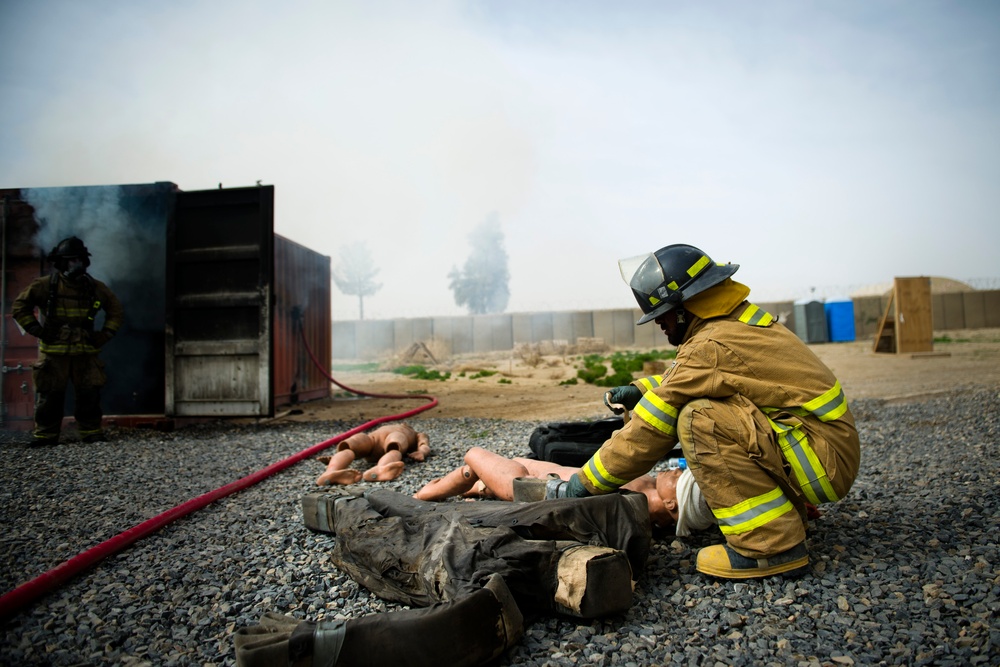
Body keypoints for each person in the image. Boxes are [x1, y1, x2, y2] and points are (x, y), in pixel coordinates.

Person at [545, 243, 861, 580]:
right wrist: (642, 389)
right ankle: (782, 520)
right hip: (822, 448)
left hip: (821, 463)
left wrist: (583, 484)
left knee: (699, 419)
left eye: (663, 314)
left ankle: (769, 548)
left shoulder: (710, 345)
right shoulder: (729, 324)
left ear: (685, 306)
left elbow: (650, 429)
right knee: (707, 408)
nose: (660, 324)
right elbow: (703, 377)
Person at [414, 446, 716, 536]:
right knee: (478, 477)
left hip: (526, 487)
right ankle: (473, 486)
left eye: (678, 479)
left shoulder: (646, 500)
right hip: (529, 478)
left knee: (474, 454)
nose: (674, 470)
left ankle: (421, 497)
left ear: (672, 505)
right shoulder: (649, 495)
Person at [12, 236, 124, 446]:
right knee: (50, 396)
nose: (76, 264)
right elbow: (20, 307)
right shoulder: (45, 286)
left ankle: (91, 432)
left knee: (89, 394)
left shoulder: (95, 288)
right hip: (54, 353)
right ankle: (46, 435)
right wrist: (37, 329)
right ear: (62, 263)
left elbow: (115, 310)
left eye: (79, 260)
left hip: (85, 352)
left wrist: (105, 334)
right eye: (71, 260)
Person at [315, 422, 431, 485]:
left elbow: (424, 444)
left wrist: (422, 452)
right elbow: (424, 444)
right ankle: (332, 470)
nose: (404, 424)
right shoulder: (406, 430)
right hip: (372, 440)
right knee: (352, 445)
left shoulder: (416, 433)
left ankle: (332, 469)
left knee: (395, 446)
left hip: (379, 440)